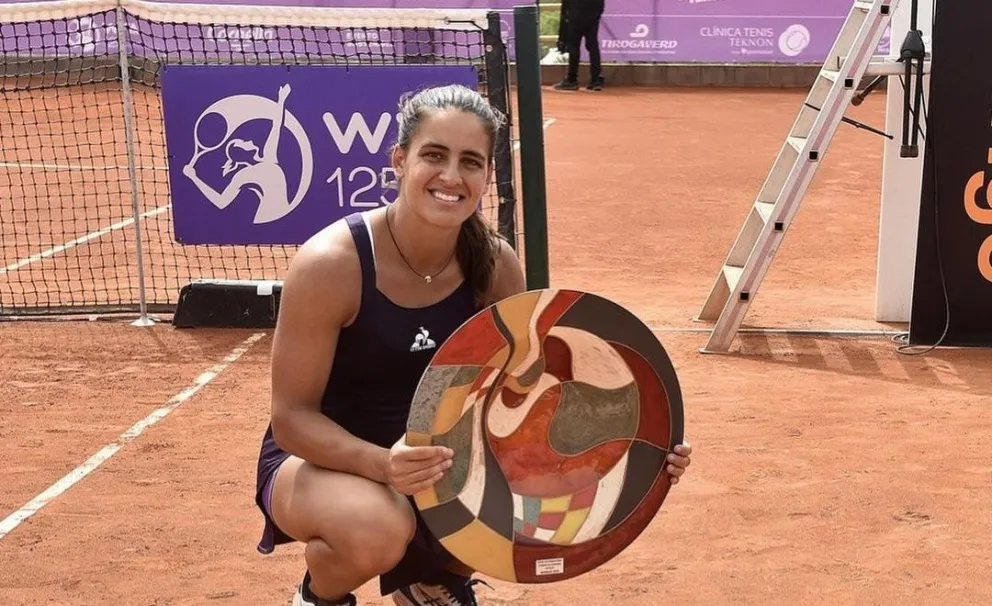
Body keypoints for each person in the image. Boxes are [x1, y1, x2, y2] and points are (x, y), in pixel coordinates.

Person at [253, 83, 693, 606]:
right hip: (327, 460)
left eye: (471, 162)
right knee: (378, 525)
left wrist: (638, 446)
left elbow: (528, 390)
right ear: (399, 159)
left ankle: (430, 577)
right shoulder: (333, 264)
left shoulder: (496, 265)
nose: (451, 176)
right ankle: (318, 594)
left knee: (524, 504)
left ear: (487, 175)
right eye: (433, 155)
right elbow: (293, 418)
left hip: (440, 460)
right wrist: (382, 465)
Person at [554, 0, 606, 91]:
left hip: (577, 11)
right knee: (593, 44)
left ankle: (572, 79)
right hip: (594, 10)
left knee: (574, 45)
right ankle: (595, 80)